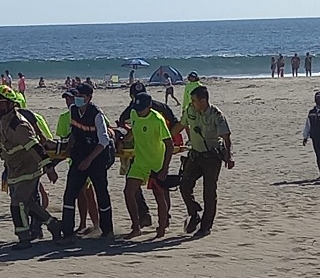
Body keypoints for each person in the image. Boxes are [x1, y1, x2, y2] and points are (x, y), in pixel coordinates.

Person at [0, 85, 61, 250]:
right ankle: (54, 225)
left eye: (1, 104)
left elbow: (35, 147)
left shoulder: (19, 125)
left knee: (17, 203)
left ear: (11, 104)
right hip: (14, 168)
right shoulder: (2, 121)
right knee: (28, 204)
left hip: (28, 169)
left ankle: (24, 238)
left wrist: (49, 168)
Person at [171, 86, 234, 239]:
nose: (192, 103)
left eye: (194, 101)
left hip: (212, 158)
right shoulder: (190, 110)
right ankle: (194, 213)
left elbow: (226, 137)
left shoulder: (216, 115)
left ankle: (206, 227)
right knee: (184, 185)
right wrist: (166, 137)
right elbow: (180, 125)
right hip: (195, 155)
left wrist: (229, 156)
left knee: (209, 192)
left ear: (203, 101)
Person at [118, 81, 180, 228]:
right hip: (142, 154)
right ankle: (151, 218)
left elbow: (122, 122)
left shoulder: (155, 114)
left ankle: (154, 218)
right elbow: (176, 123)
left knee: (159, 190)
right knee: (134, 187)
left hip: (158, 154)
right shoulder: (135, 109)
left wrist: (165, 137)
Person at [59, 83, 114, 245]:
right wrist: (68, 147)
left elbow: (104, 140)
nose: (77, 100)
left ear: (89, 98)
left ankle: (107, 231)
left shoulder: (97, 114)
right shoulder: (73, 111)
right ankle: (67, 233)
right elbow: (74, 133)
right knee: (69, 195)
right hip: (78, 157)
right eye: (76, 96)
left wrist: (89, 160)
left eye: (81, 97)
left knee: (101, 194)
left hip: (97, 159)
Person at [56, 89, 100, 235]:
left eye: (71, 98)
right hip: (74, 160)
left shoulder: (92, 113)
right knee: (80, 193)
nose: (69, 101)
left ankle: (95, 224)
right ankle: (83, 224)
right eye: (66, 99)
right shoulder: (64, 117)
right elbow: (64, 139)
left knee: (88, 192)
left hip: (89, 159)